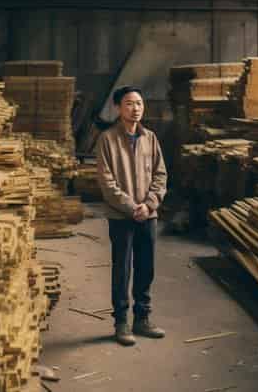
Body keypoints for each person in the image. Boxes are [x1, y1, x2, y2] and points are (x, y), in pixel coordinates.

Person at [96, 85, 168, 345]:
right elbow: (106, 181)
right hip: (121, 217)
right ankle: (122, 323)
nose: (135, 108)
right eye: (129, 103)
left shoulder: (150, 137)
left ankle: (143, 319)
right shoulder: (107, 139)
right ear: (118, 107)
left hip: (148, 216)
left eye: (138, 103)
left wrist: (149, 205)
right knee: (122, 269)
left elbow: (160, 175)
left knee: (146, 268)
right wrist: (131, 207)